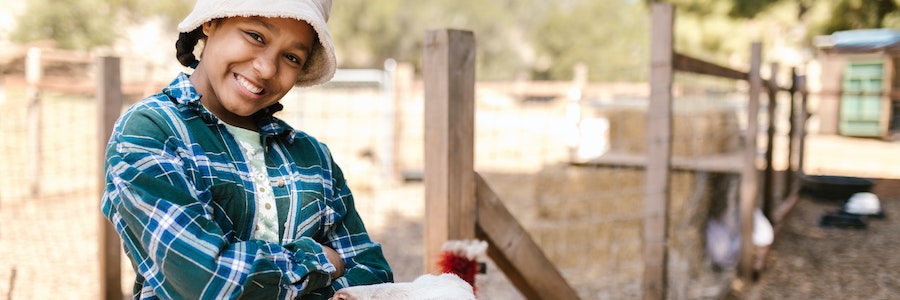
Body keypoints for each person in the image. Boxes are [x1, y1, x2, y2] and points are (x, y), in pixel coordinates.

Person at [100, 0, 393, 298]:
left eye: (291, 57)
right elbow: (206, 282)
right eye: (255, 36)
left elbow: (374, 278)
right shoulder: (151, 131)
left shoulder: (313, 157)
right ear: (211, 22)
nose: (266, 68)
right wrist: (319, 259)